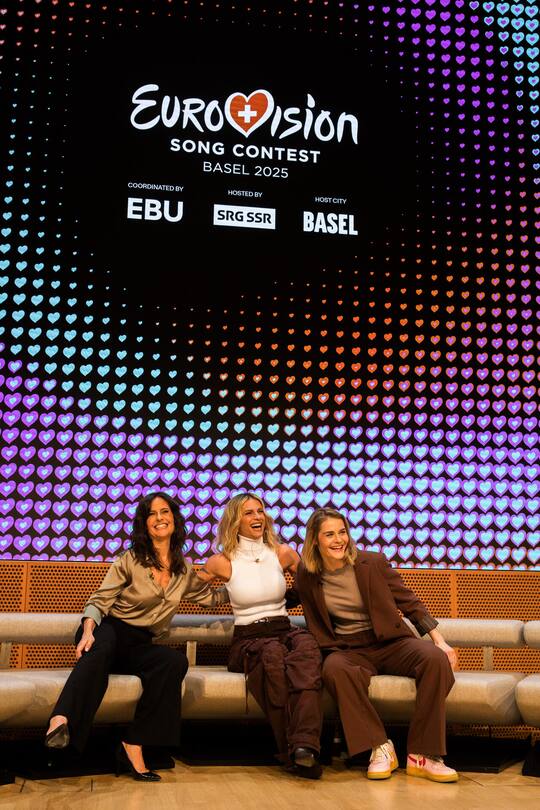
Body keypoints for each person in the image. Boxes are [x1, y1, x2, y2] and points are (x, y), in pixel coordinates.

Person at [44, 491, 228, 781]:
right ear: (144, 524)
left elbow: (212, 599)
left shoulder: (183, 570)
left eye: (164, 512)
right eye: (152, 514)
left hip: (137, 643)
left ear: (175, 520)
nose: (159, 518)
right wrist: (88, 631)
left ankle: (134, 742)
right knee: (101, 648)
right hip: (107, 629)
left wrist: (242, 581)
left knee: (173, 663)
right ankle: (60, 720)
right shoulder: (130, 560)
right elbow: (99, 600)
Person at [296, 507, 459, 783]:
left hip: (390, 642)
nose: (339, 540)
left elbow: (408, 601)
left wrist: (440, 642)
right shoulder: (307, 574)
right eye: (329, 534)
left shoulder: (373, 562)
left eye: (342, 532)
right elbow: (288, 596)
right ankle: (380, 747)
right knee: (334, 669)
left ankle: (423, 754)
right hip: (347, 649)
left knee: (434, 659)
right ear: (314, 540)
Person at [198, 492, 324, 778]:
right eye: (249, 513)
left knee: (307, 652)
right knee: (273, 657)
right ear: (234, 521)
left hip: (283, 628)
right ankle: (293, 749)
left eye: (260, 511)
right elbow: (190, 589)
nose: (257, 517)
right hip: (249, 637)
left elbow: (312, 586)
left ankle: (305, 747)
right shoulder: (222, 560)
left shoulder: (283, 553)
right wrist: (221, 597)